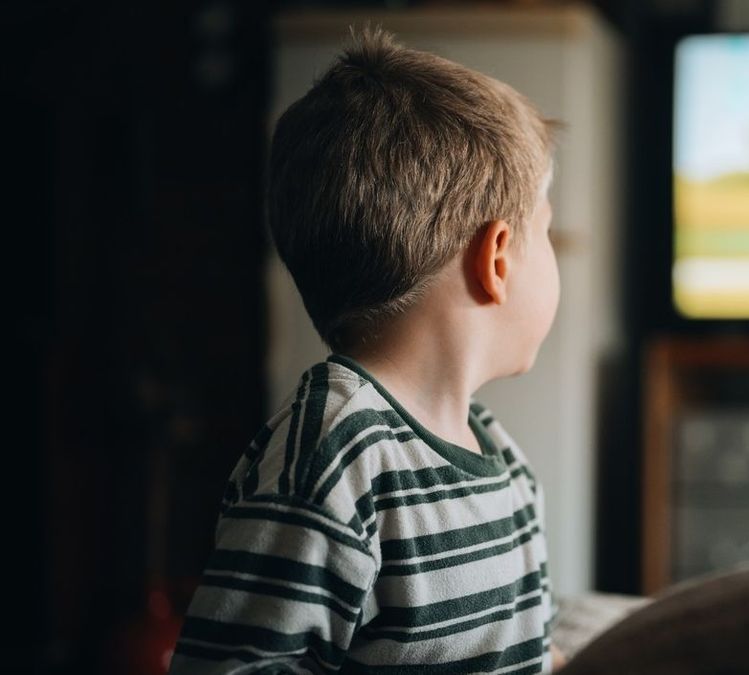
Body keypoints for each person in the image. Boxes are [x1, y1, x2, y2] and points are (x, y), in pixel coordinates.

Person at [169, 25, 568, 674]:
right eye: (545, 231)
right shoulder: (332, 462)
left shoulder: (502, 459)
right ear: (496, 258)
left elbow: (530, 651)